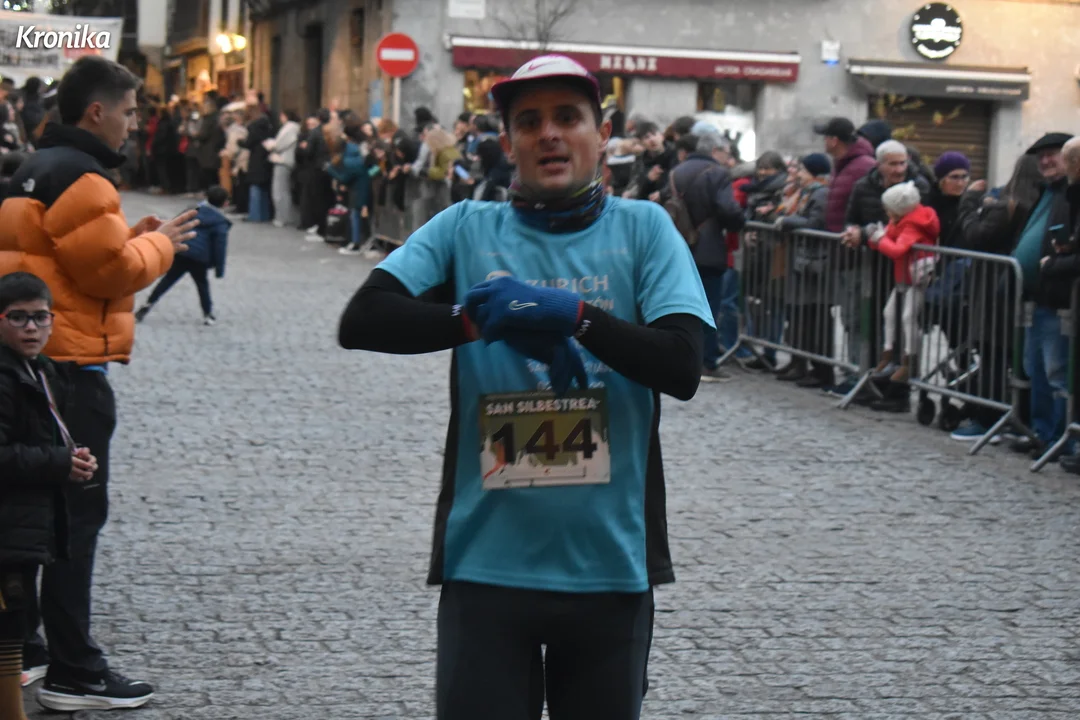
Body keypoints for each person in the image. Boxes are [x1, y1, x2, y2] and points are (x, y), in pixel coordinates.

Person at [337, 54, 713, 720]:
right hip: (486, 567)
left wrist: (577, 316)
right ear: (508, 142)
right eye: (530, 122)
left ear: (602, 135)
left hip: (610, 567)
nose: (550, 135)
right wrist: (477, 319)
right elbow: (362, 319)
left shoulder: (644, 229)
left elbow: (683, 365)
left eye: (568, 118)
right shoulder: (465, 227)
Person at [0, 55, 198, 712]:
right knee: (75, 518)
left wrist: (134, 236)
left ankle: (25, 648)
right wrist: (162, 244)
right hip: (72, 369)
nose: (133, 124)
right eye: (129, 111)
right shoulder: (84, 178)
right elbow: (109, 271)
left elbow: (67, 258)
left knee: (35, 515)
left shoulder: (35, 167)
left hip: (35, 363)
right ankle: (74, 670)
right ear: (97, 111)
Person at [0, 272, 99, 720]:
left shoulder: (41, 370)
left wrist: (71, 459)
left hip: (23, 522)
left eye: (40, 317)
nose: (31, 328)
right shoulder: (6, 376)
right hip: (8, 521)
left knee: (13, 623)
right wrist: (57, 462)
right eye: (18, 317)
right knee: (8, 622)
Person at [868, 181, 940, 385]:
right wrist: (875, 238)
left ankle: (909, 360)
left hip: (916, 278)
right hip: (904, 276)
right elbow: (888, 237)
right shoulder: (901, 220)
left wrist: (879, 239)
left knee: (908, 316)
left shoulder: (912, 224)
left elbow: (897, 249)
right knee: (889, 313)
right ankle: (887, 353)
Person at [135, 186, 231, 325]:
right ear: (224, 203)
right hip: (199, 257)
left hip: (182, 251)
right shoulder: (220, 222)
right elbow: (220, 246)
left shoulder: (193, 210)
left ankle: (146, 306)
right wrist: (219, 269)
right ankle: (208, 314)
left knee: (167, 280)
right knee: (202, 285)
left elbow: (175, 224)